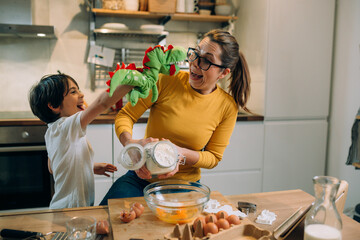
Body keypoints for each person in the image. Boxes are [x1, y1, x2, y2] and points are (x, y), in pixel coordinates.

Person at [100, 29, 251, 205]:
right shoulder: (166, 80)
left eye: (207, 61)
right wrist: (130, 145)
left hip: (185, 187)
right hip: (140, 179)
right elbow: (126, 115)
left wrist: (181, 154)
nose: (194, 63)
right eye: (195, 54)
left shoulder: (227, 107)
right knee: (105, 220)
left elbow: (213, 157)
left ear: (224, 73)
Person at [29, 73, 132, 209]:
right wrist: (131, 81)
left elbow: (53, 167)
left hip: (66, 207)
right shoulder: (65, 127)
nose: (81, 95)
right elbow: (102, 103)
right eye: (73, 92)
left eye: (78, 90)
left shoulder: (54, 131)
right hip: (72, 209)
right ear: (54, 105)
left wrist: (90, 167)